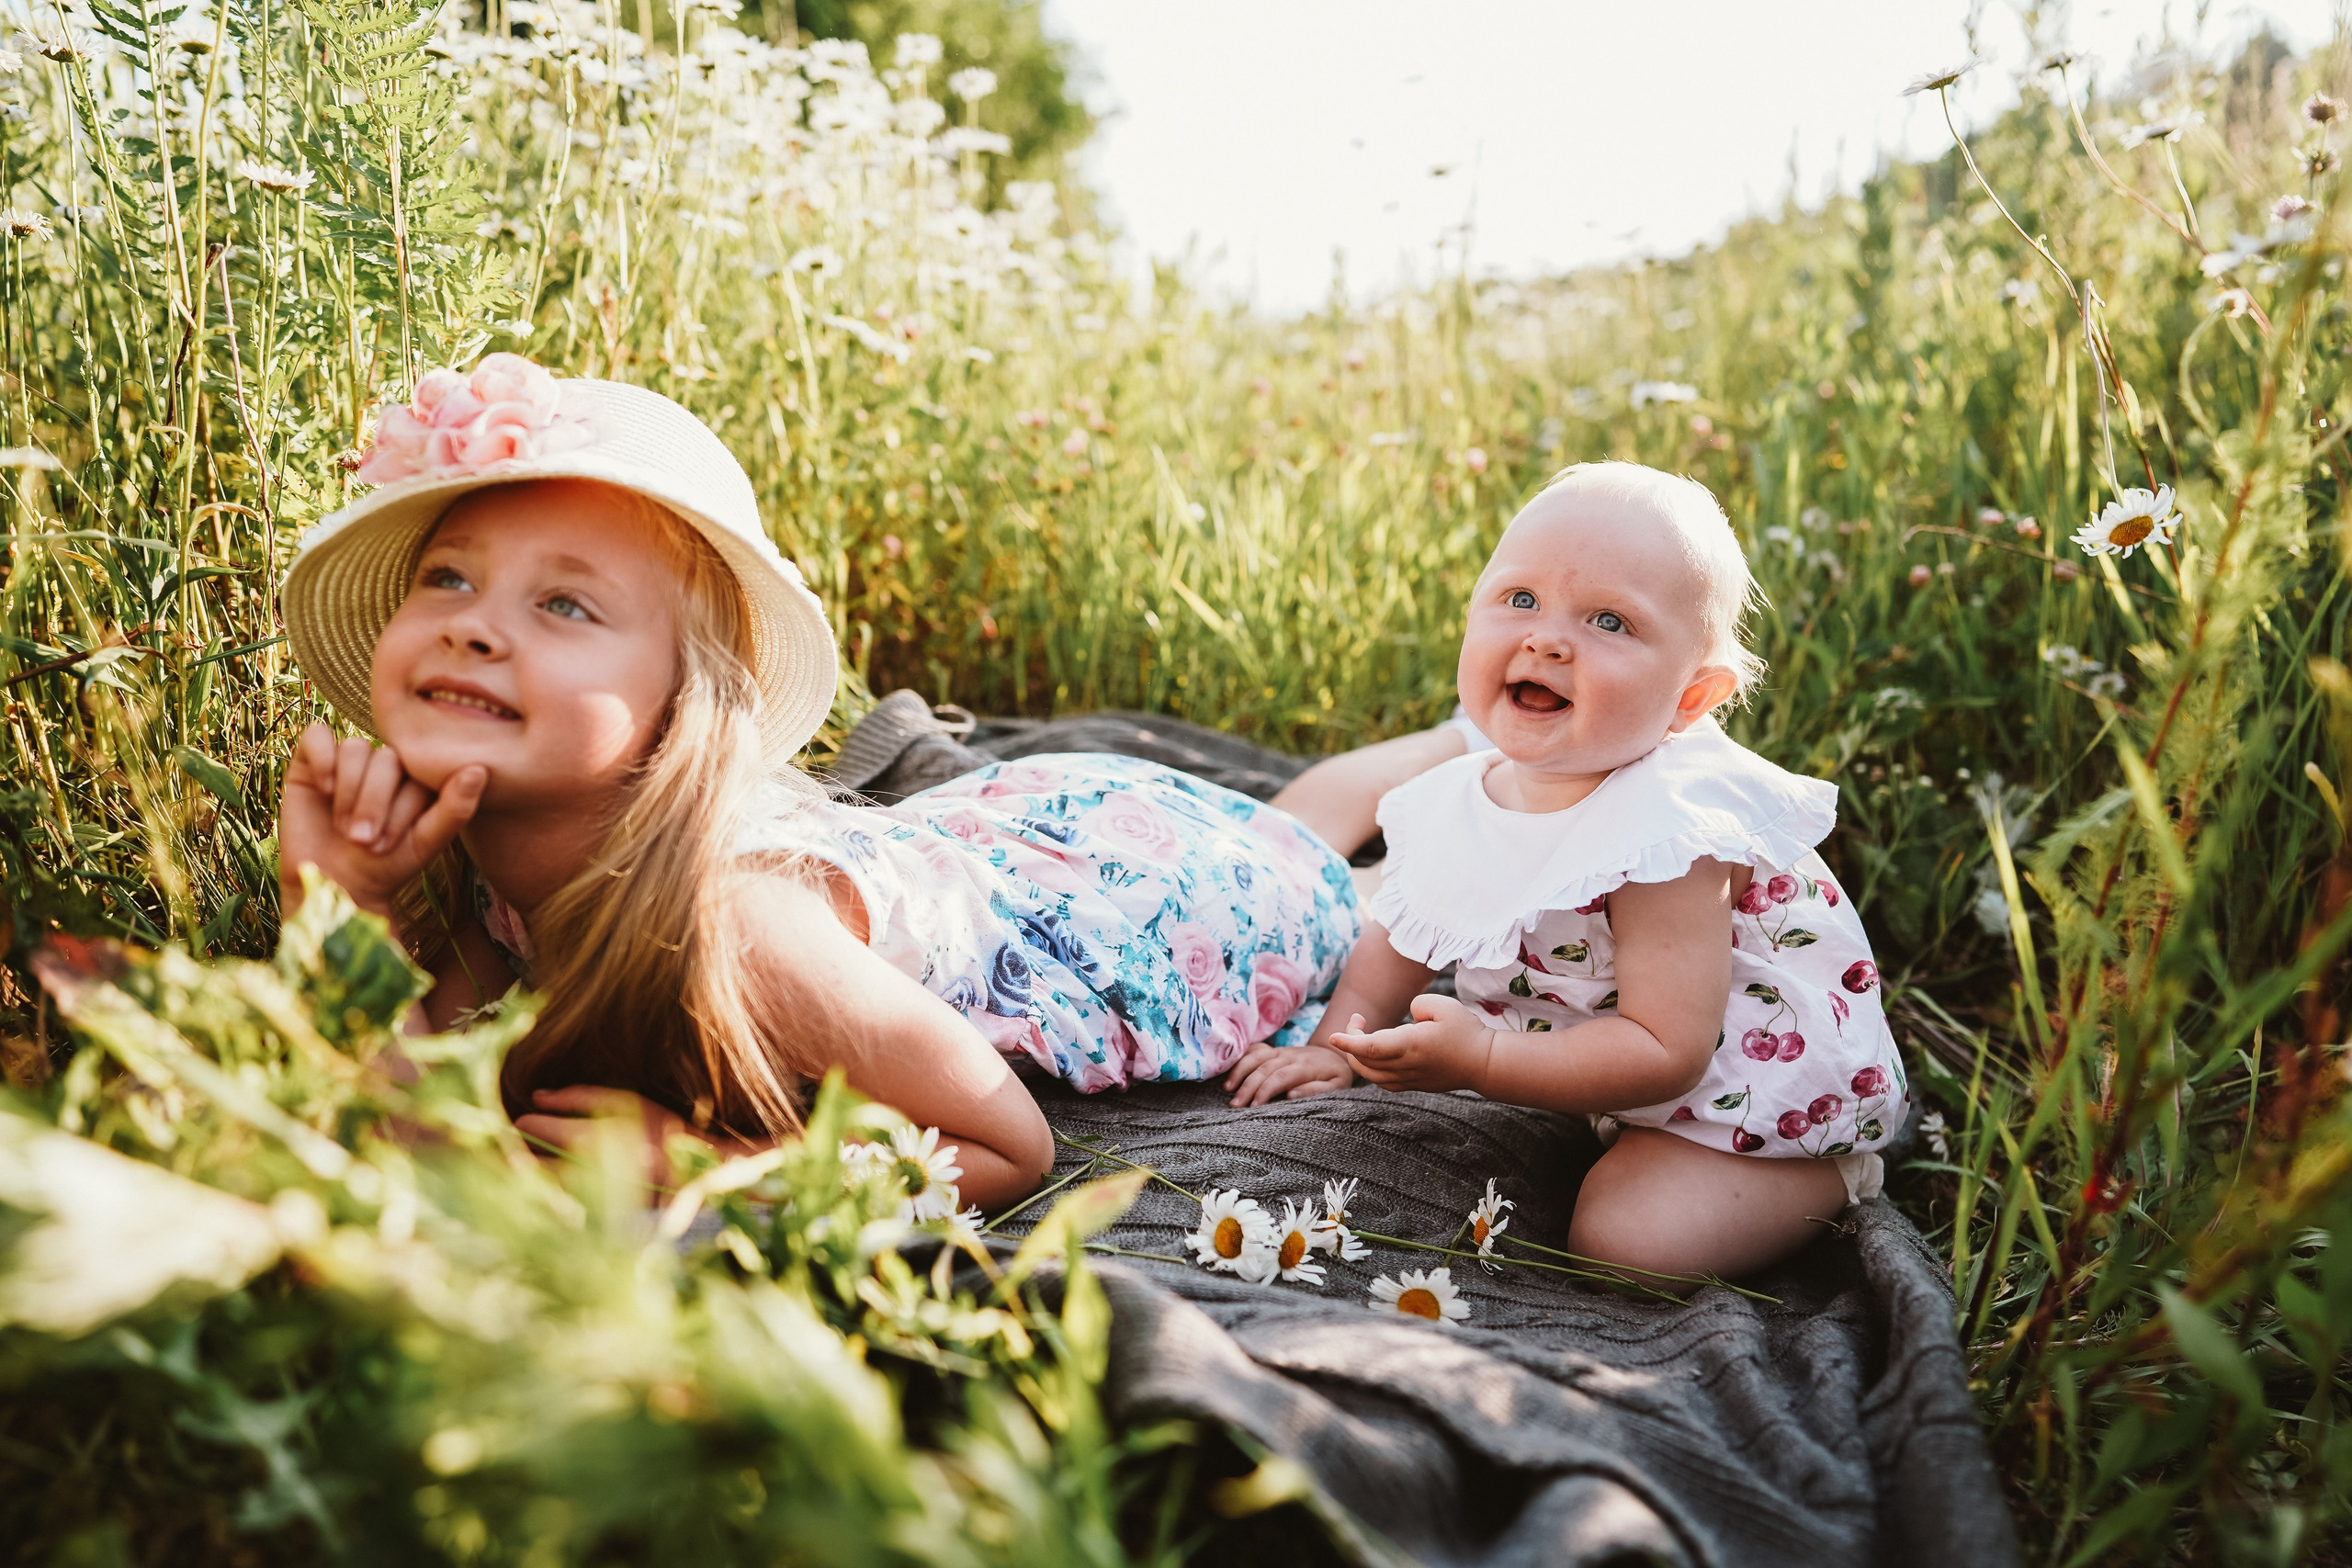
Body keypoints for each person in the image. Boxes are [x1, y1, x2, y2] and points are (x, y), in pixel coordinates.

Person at [272, 356, 1359, 1211]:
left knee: (1330, 844)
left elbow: (1005, 1145)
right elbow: (416, 1127)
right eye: (447, 577)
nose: (472, 622)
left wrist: (719, 1164)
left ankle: (1461, 757)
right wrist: (340, 910)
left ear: (682, 699)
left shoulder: (741, 925)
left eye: (564, 606)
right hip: (971, 836)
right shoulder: (491, 879)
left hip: (1146, 889)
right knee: (1321, 805)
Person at [1224, 462, 1908, 1283]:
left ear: (1692, 700)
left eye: (1610, 621)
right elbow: (1403, 924)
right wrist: (1347, 1040)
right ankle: (1602, 1119)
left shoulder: (1670, 835)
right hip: (1603, 1070)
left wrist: (1481, 1061)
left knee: (1627, 1247)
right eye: (1520, 600)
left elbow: (1668, 1049)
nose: (1547, 638)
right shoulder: (1456, 798)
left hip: (1745, 1089)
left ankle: (1829, 1169)